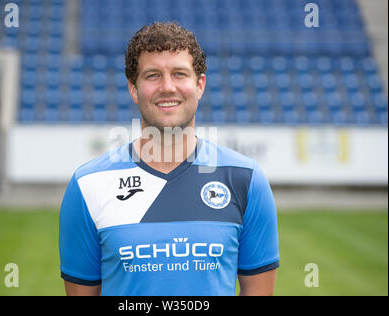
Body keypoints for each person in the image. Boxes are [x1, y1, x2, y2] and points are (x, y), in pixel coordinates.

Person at [59, 22, 280, 296]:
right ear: (133, 88)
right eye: (152, 75)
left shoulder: (246, 179)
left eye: (179, 74)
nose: (167, 87)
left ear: (199, 85)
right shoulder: (88, 185)